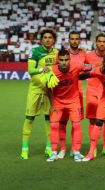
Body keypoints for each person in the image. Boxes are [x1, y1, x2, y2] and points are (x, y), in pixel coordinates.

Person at [46, 49, 91, 162]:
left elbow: (90, 67)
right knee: (54, 126)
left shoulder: (76, 66)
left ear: (70, 60)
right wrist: (51, 104)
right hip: (57, 101)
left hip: (73, 101)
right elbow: (47, 88)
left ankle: (76, 151)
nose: (64, 62)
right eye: (61, 60)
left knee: (76, 125)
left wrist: (97, 66)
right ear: (58, 61)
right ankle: (54, 151)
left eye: (66, 59)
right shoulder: (52, 71)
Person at [20, 28, 58, 159]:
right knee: (29, 118)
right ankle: (24, 149)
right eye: (45, 37)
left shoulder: (56, 53)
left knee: (49, 120)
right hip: (35, 90)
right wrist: (43, 69)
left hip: (50, 91)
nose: (48, 39)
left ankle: (49, 147)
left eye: (50, 37)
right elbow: (30, 70)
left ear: (54, 40)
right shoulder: (35, 51)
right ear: (41, 39)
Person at [57, 31, 86, 159]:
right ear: (69, 40)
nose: (74, 41)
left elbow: (88, 68)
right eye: (72, 39)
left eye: (76, 39)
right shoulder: (63, 54)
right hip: (62, 94)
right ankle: (62, 149)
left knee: (76, 122)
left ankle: (75, 149)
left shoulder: (84, 54)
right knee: (62, 122)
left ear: (79, 40)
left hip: (77, 93)